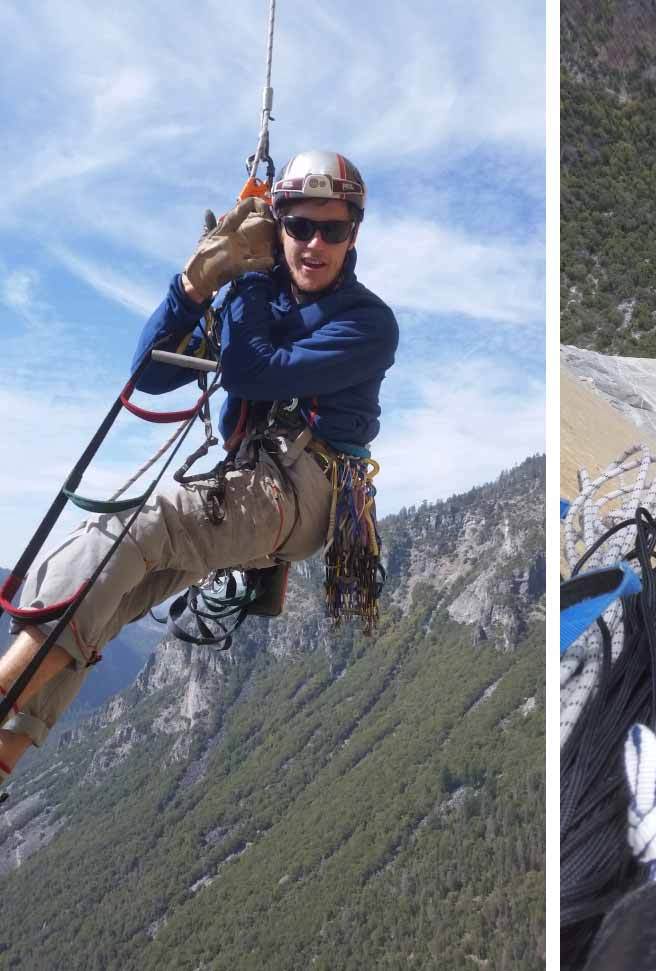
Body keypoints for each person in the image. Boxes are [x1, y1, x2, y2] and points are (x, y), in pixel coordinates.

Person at [0, 150, 399, 795]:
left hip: (304, 490)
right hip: (253, 481)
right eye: (299, 227)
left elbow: (251, 372)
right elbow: (152, 374)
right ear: (280, 227)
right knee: (111, 587)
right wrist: (194, 285)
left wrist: (243, 277)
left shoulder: (366, 324)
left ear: (355, 233)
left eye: (332, 228)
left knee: (137, 530)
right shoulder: (263, 302)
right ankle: (6, 751)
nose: (314, 244)